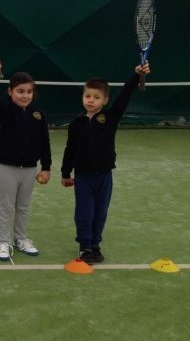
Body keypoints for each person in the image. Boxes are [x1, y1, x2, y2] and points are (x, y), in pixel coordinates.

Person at [61, 62, 151, 264]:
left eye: (96, 97)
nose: (91, 100)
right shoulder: (76, 124)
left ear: (105, 100)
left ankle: (95, 245)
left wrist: (136, 76)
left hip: (104, 177)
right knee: (85, 213)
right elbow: (69, 149)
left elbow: (124, 96)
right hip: (83, 177)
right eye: (87, 96)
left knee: (100, 213)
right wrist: (66, 173)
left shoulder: (111, 118)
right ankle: (85, 247)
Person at [0, 57, 51, 261]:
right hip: (7, 167)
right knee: (6, 207)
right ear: (10, 92)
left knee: (23, 207)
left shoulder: (38, 115)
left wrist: (46, 167)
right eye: (20, 91)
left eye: (29, 92)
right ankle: (3, 242)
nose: (25, 96)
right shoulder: (5, 111)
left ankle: (21, 238)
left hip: (30, 169)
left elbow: (45, 142)